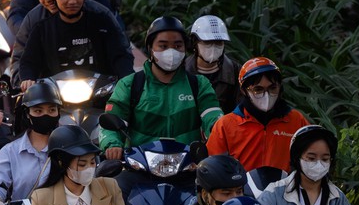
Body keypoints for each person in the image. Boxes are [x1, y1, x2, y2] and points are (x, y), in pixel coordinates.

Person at [99, 15, 221, 159]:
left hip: (188, 166)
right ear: (150, 48)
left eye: (177, 46)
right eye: (163, 46)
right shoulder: (129, 85)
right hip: (139, 166)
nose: (171, 51)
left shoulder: (199, 84)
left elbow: (212, 116)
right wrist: (113, 145)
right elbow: (111, 122)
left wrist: (219, 129)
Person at [11, 0, 133, 84]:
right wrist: (26, 80)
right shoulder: (38, 26)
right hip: (54, 94)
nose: (72, 1)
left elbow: (120, 54)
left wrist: (126, 79)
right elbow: (26, 61)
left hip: (100, 90)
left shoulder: (102, 19)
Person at [205, 56, 312, 173]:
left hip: (285, 189)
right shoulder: (225, 125)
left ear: (280, 87)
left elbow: (312, 158)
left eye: (272, 88)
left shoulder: (296, 120)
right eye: (258, 89)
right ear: (244, 91)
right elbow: (213, 166)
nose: (266, 94)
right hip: (240, 189)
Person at [0, 79, 61, 205]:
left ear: (58, 112)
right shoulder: (9, 151)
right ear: (28, 114)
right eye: (38, 111)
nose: (46, 115)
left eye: (51, 110)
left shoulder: (66, 148)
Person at [187, 15, 243, 114]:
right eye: (207, 42)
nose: (213, 47)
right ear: (194, 42)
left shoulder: (236, 71)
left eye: (218, 43)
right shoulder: (182, 70)